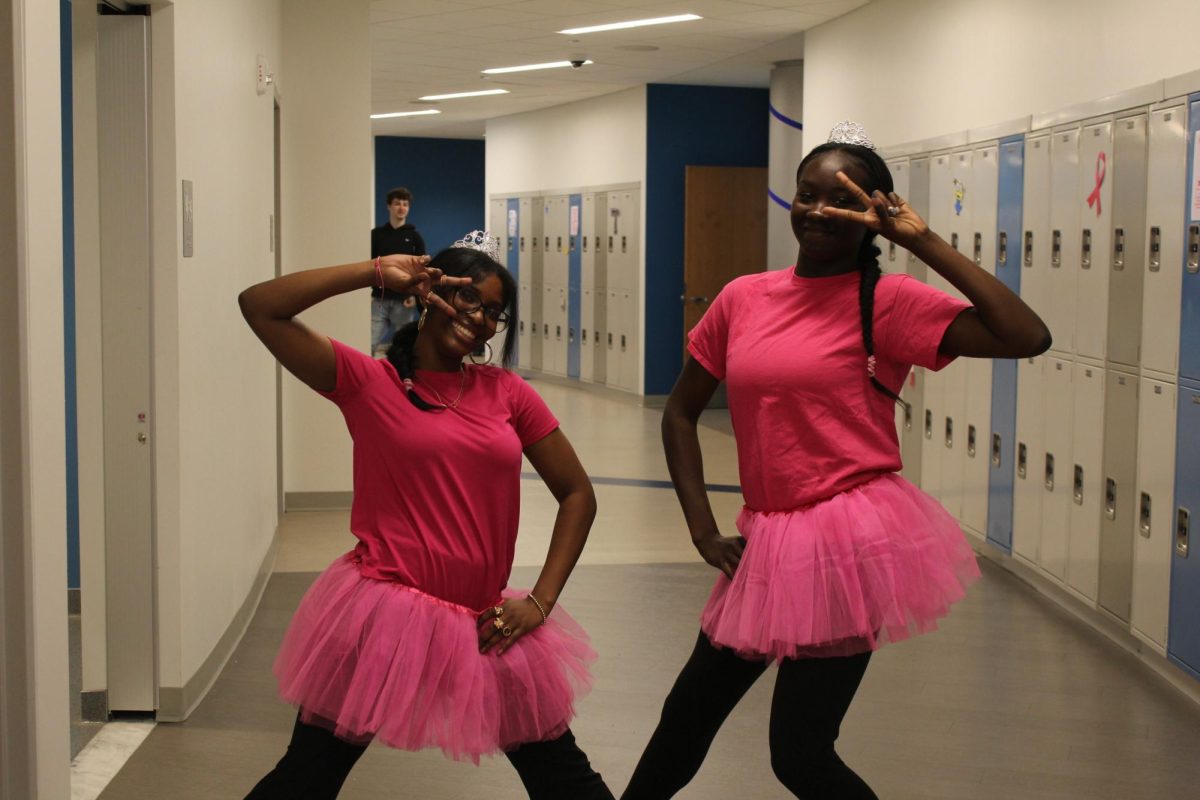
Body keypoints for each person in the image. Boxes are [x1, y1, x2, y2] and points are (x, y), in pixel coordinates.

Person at [621, 122, 1051, 800]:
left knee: (800, 752)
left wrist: (922, 242)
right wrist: (702, 529)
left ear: (874, 212)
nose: (819, 211)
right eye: (806, 195)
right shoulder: (743, 298)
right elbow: (679, 412)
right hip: (766, 538)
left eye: (842, 200)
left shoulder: (889, 302)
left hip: (845, 543)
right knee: (687, 717)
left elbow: (1026, 335)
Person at [239, 231, 614, 800]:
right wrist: (374, 273)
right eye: (469, 300)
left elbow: (578, 493)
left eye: (494, 312)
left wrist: (539, 601)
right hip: (383, 614)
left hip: (488, 621)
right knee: (308, 777)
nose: (482, 319)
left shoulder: (507, 393)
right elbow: (260, 306)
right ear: (429, 293)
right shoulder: (369, 383)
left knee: (563, 778)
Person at [370, 186, 427, 357]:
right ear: (389, 206)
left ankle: (401, 377)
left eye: (405, 204)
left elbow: (421, 268)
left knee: (402, 345)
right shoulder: (376, 235)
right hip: (379, 299)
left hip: (404, 300)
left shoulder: (414, 236)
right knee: (369, 342)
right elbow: (370, 265)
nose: (401, 207)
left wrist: (415, 294)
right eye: (397, 204)